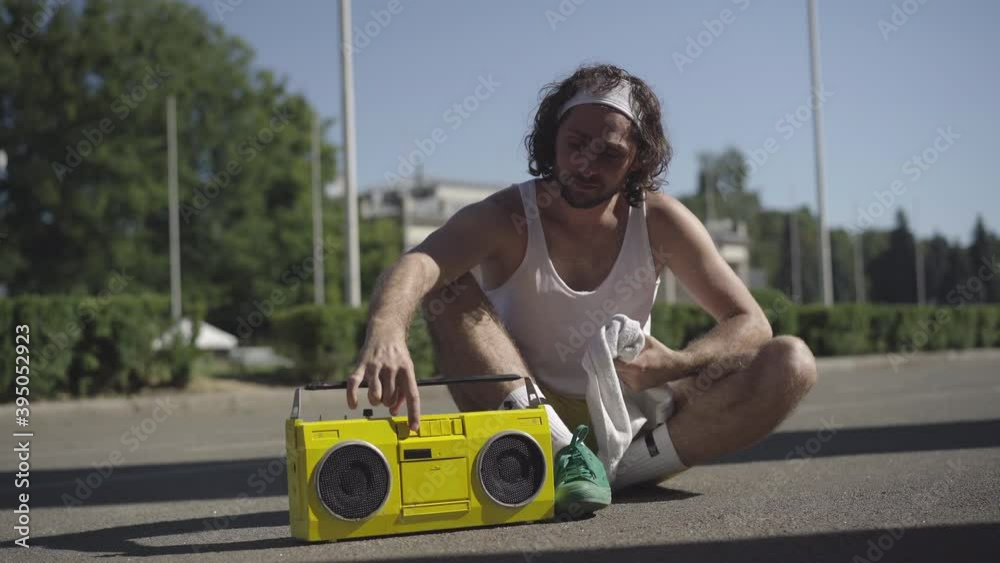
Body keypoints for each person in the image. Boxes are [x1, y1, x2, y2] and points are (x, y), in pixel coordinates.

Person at [345, 63, 818, 516]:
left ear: (638, 159)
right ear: (552, 140)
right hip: (524, 413)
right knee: (444, 286)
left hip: (633, 419)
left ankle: (600, 470)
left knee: (791, 362)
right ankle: (564, 453)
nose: (585, 164)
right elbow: (419, 262)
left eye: (609, 153)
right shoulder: (508, 214)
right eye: (575, 143)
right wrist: (387, 332)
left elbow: (751, 323)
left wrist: (677, 363)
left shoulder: (660, 220)